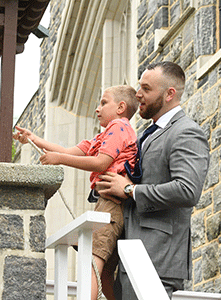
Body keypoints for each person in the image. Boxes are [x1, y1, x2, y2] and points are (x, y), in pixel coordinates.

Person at [95, 61, 210, 299]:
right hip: (127, 259)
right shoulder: (145, 135)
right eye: (139, 87)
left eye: (146, 89)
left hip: (156, 261)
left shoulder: (187, 132)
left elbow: (187, 190)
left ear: (170, 94)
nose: (138, 95)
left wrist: (129, 189)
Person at [13, 85, 139, 300]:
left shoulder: (119, 127)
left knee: (92, 263)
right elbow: (67, 150)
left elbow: (100, 162)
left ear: (120, 107)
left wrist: (59, 161)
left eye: (103, 102)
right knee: (105, 271)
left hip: (112, 204)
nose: (97, 109)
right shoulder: (105, 136)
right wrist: (33, 139)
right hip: (107, 203)